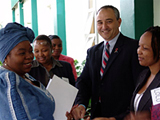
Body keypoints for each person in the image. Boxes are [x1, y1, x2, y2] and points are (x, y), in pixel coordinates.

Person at [71, 5, 145, 120]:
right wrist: (81, 104)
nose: (104, 27)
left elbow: (140, 88)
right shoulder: (93, 51)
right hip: (97, 115)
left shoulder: (133, 48)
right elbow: (84, 81)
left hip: (123, 116)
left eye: (109, 21)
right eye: (99, 22)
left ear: (119, 22)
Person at [0, 22, 55, 119]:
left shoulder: (23, 75)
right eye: (22, 53)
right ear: (5, 57)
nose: (30, 56)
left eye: (30, 51)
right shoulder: (10, 82)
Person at [124, 26, 160, 120]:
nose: (139, 51)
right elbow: (133, 112)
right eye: (139, 46)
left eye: (145, 48)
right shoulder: (143, 75)